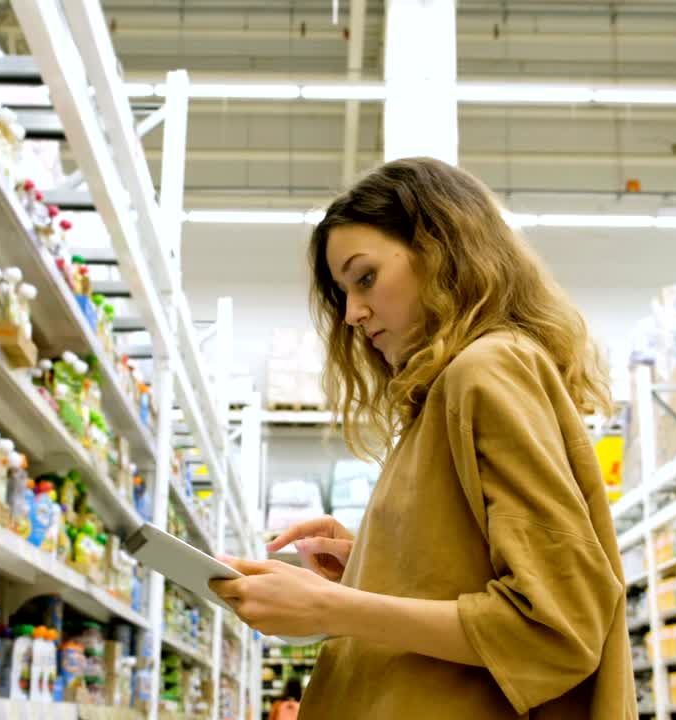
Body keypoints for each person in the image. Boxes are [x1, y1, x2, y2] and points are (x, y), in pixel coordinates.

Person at [210, 157, 636, 719]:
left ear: (442, 252)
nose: (353, 315)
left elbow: (557, 624)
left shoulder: (485, 369)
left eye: (365, 278)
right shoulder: (443, 392)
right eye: (343, 294)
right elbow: (477, 569)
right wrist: (375, 560)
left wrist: (333, 608)